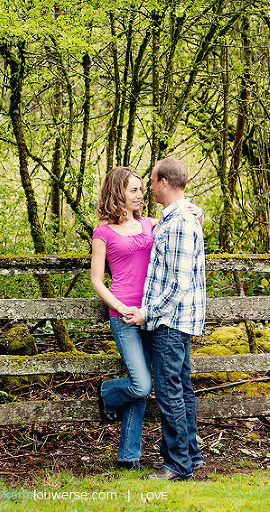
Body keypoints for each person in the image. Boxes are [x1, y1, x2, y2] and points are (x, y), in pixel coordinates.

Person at [124, 157, 206, 481]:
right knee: (181, 389)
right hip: (175, 321)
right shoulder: (175, 219)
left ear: (165, 183)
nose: (149, 189)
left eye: (152, 182)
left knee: (171, 393)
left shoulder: (180, 223)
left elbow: (179, 283)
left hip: (170, 322)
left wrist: (147, 313)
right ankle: (191, 456)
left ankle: (177, 465)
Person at [91, 166, 154, 471]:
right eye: (134, 190)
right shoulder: (102, 232)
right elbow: (97, 280)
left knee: (140, 387)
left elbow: (183, 220)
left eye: (141, 189)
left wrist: (197, 213)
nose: (140, 195)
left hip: (151, 315)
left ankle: (128, 457)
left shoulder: (150, 224)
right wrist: (121, 307)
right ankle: (107, 391)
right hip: (123, 317)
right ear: (118, 192)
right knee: (141, 385)